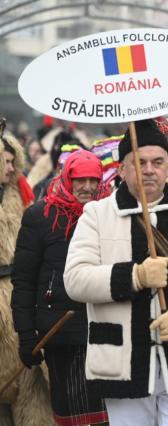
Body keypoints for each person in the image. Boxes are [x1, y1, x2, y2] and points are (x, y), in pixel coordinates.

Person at [63, 119, 168, 425]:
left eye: (158, 162)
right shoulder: (97, 215)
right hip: (123, 364)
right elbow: (75, 279)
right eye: (139, 162)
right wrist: (135, 277)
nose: (149, 170)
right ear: (121, 169)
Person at [11, 150, 109, 425]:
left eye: (93, 179)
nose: (88, 187)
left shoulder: (110, 213)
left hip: (105, 328)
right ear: (67, 178)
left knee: (110, 414)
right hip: (61, 331)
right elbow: (24, 280)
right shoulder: (40, 216)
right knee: (72, 413)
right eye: (81, 179)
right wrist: (26, 333)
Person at [0, 126, 52, 426]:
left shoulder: (20, 195)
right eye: (5, 162)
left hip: (18, 296)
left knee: (28, 380)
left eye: (12, 161)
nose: (11, 168)